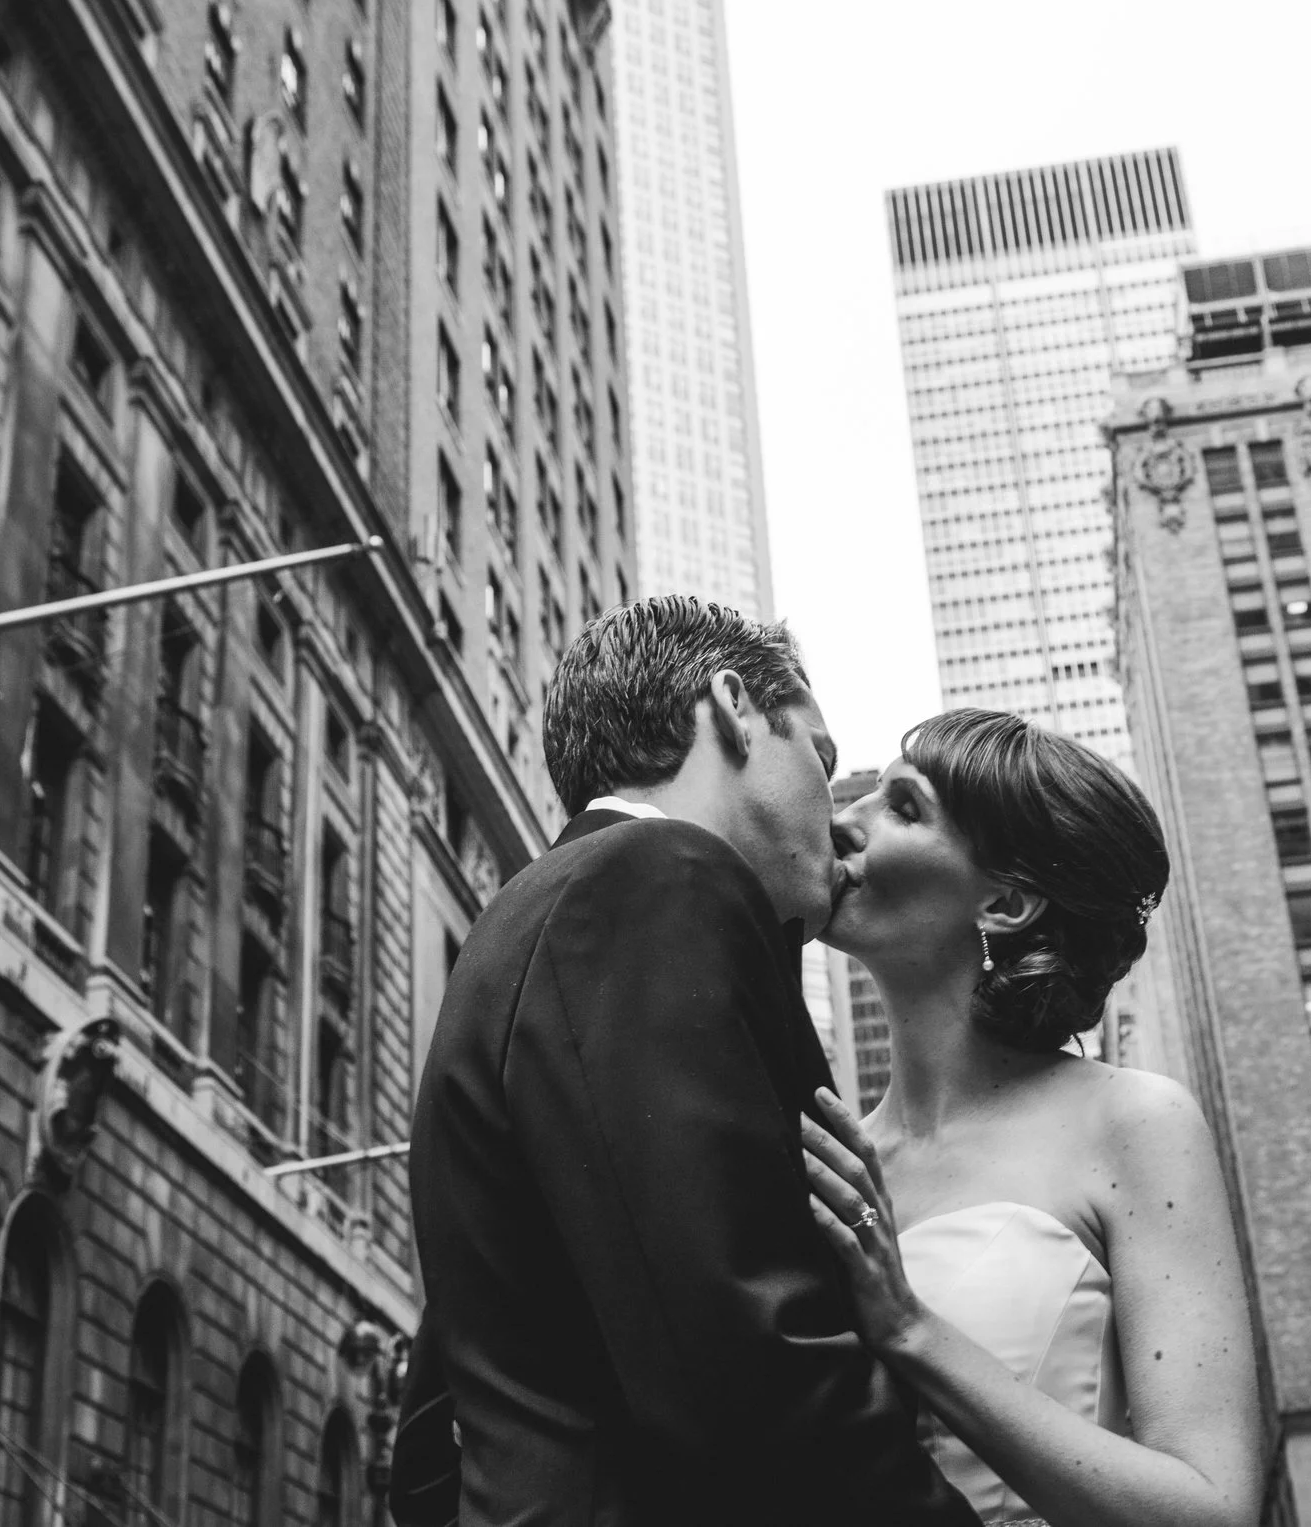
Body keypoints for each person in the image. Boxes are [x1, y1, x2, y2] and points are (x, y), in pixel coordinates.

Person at [393, 598, 979, 1526]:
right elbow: (750, 1354)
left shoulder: (531, 915)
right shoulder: (660, 878)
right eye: (821, 761)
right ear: (735, 707)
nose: (833, 818)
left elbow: (435, 1423)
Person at [800, 708, 1267, 1527]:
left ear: (1006, 902)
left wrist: (911, 1328)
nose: (843, 819)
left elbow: (1213, 1509)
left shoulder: (1133, 1121)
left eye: (902, 807)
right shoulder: (834, 1153)